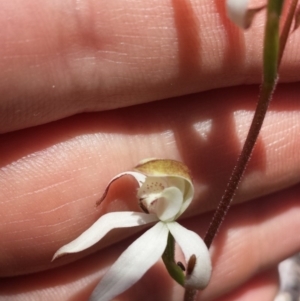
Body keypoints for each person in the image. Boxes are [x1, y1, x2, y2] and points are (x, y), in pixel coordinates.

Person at [0, 1, 299, 300]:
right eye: (150, 183)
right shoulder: (147, 225)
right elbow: (83, 241)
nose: (152, 189)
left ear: (182, 194)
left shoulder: (184, 239)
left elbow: (200, 275)